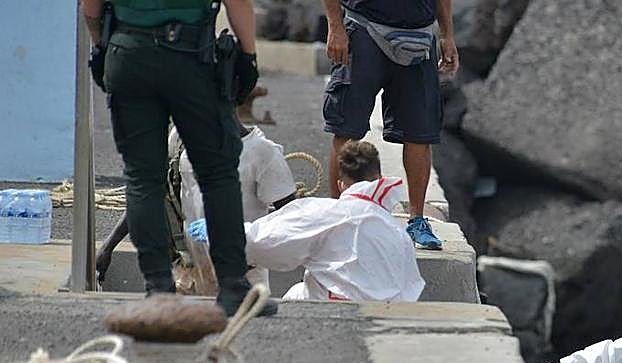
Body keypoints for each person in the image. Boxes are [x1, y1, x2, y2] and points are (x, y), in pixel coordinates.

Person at [83, 0, 277, 317]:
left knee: (143, 178)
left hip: (129, 52)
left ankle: (159, 288)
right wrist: (249, 56)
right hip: (191, 57)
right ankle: (232, 287)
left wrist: (102, 46)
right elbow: (238, 3)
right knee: (217, 175)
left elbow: (90, 8)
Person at [321, 0, 458, 250]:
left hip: (420, 36)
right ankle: (337, 217)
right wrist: (335, 26)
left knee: (420, 134)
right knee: (346, 128)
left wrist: (447, 36)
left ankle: (417, 220)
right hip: (363, 28)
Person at [98, 121, 296, 290]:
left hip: (244, 280)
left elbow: (295, 218)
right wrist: (108, 247)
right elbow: (150, 192)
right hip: (187, 276)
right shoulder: (180, 138)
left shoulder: (262, 153)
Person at [240, 140, 424, 302]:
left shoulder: (326, 213)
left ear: (340, 184)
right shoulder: (397, 232)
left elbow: (259, 243)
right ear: (379, 179)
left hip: (341, 311)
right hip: (392, 315)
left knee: (295, 295)